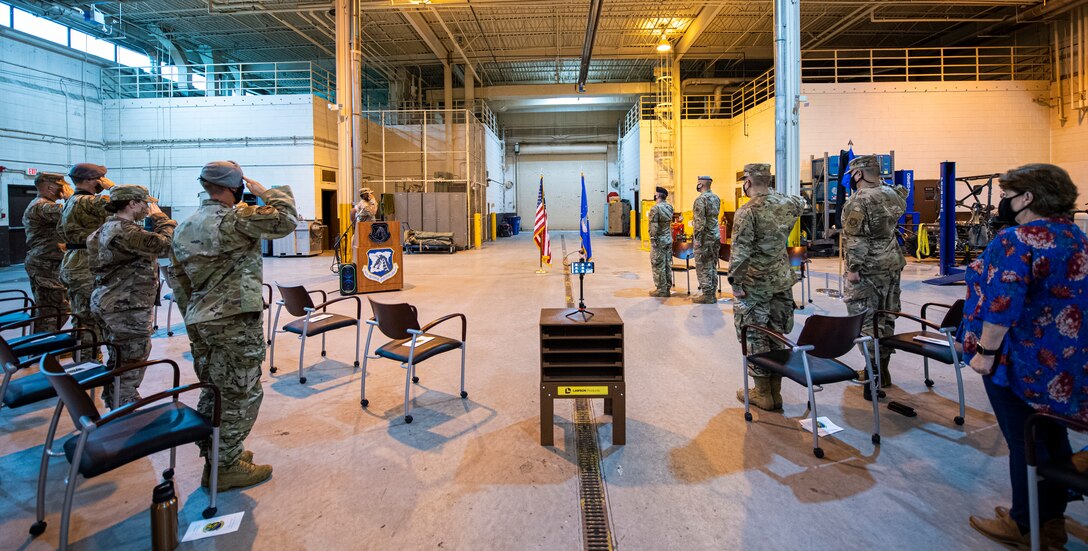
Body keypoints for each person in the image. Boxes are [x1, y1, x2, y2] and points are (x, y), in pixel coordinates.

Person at [965, 163, 1087, 549]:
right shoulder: (1075, 237)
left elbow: (1002, 303)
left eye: (1007, 196)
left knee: (1024, 442)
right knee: (1050, 434)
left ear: (1027, 198)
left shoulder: (1017, 240)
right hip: (1063, 359)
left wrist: (985, 352)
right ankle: (1051, 521)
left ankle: (1025, 524)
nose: (1003, 203)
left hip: (1019, 360)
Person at [172, 161, 297, 491]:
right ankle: (224, 467)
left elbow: (178, 280)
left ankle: (219, 453)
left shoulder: (185, 225)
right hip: (235, 322)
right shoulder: (237, 219)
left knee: (214, 388)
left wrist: (193, 316)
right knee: (241, 392)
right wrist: (266, 192)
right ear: (234, 188)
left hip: (200, 319)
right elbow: (286, 220)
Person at [87, 186, 176, 408]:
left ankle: (114, 399)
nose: (148, 208)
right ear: (132, 204)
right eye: (145, 203)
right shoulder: (126, 232)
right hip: (125, 306)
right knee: (132, 358)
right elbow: (166, 245)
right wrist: (162, 219)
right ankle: (125, 408)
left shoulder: (104, 229)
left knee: (118, 355)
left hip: (109, 301)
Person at [729, 163, 806, 411]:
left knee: (754, 333)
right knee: (777, 332)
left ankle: (763, 393)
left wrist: (736, 282)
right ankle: (776, 392)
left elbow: (740, 253)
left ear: (748, 182)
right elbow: (801, 203)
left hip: (755, 283)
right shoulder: (789, 203)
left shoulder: (747, 211)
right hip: (781, 279)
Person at [840, 154, 907, 400]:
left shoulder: (858, 202)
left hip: (867, 268)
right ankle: (884, 370)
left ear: (858, 174)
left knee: (864, 321)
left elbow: (857, 240)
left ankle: (872, 373)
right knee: (886, 316)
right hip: (891, 263)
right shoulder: (893, 194)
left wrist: (853, 268)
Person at [58, 163, 116, 358]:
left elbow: (59, 230)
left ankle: (83, 360)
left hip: (74, 259)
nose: (102, 182)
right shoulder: (87, 202)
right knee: (89, 319)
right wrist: (112, 188)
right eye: (100, 178)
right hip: (85, 264)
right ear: (92, 180)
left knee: (81, 316)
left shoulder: (71, 201)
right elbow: (124, 201)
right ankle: (89, 363)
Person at [22, 172, 72, 333]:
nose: (66, 189)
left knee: (51, 309)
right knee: (54, 310)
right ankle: (41, 350)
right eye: (62, 186)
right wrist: (72, 197)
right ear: (50, 187)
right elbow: (73, 212)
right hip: (44, 265)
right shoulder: (42, 206)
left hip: (49, 264)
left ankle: (41, 347)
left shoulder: (42, 204)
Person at [691, 175, 721, 304]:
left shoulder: (700, 200)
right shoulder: (716, 198)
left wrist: (697, 239)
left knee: (703, 265)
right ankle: (712, 293)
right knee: (712, 265)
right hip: (715, 236)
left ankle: (707, 295)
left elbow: (699, 222)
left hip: (705, 238)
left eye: (698, 183)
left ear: (701, 185)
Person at [648, 186, 674, 297]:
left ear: (658, 195)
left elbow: (654, 226)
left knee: (658, 264)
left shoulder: (655, 208)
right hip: (668, 239)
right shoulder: (669, 207)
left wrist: (653, 239)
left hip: (659, 241)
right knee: (667, 264)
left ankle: (661, 289)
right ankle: (667, 287)